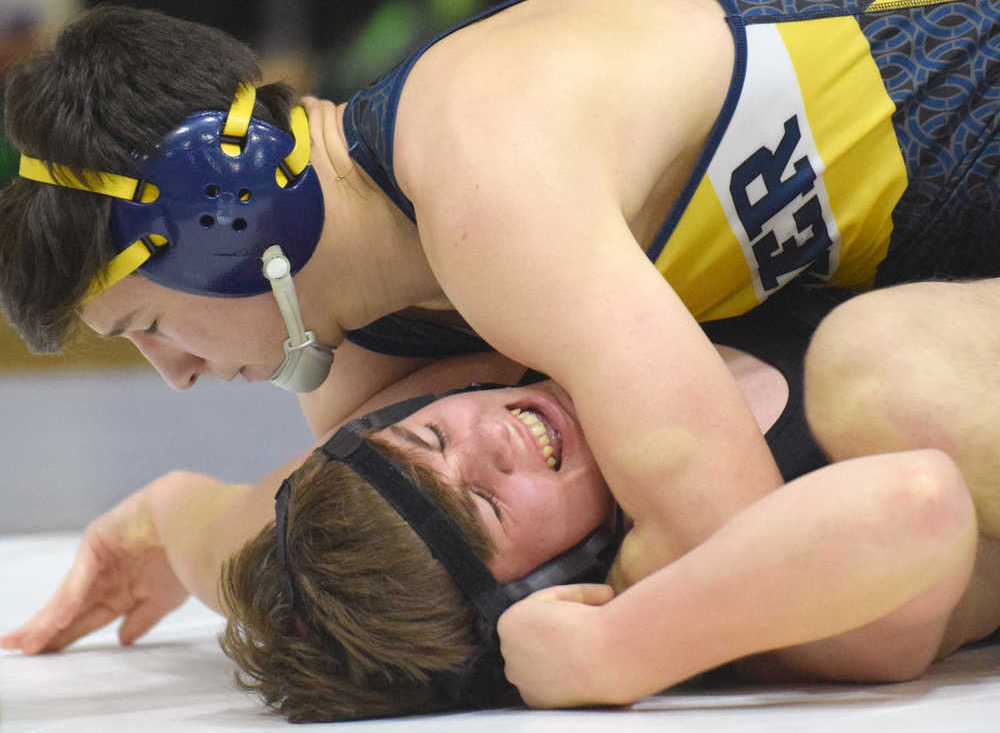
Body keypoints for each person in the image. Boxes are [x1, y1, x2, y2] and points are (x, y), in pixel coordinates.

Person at [3, 0, 1000, 579]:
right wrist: (178, 523)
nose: (171, 375)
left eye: (146, 324)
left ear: (221, 216)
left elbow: (724, 533)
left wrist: (584, 638)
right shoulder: (371, 339)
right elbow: (336, 546)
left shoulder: (484, 158)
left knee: (882, 393)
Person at [5, 285, 998, 721]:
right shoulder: (771, 601)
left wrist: (161, 522)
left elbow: (220, 525)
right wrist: (624, 647)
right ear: (545, 590)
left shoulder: (461, 400)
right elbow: (919, 504)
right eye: (485, 502)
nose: (495, 436)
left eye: (433, 429)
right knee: (884, 372)